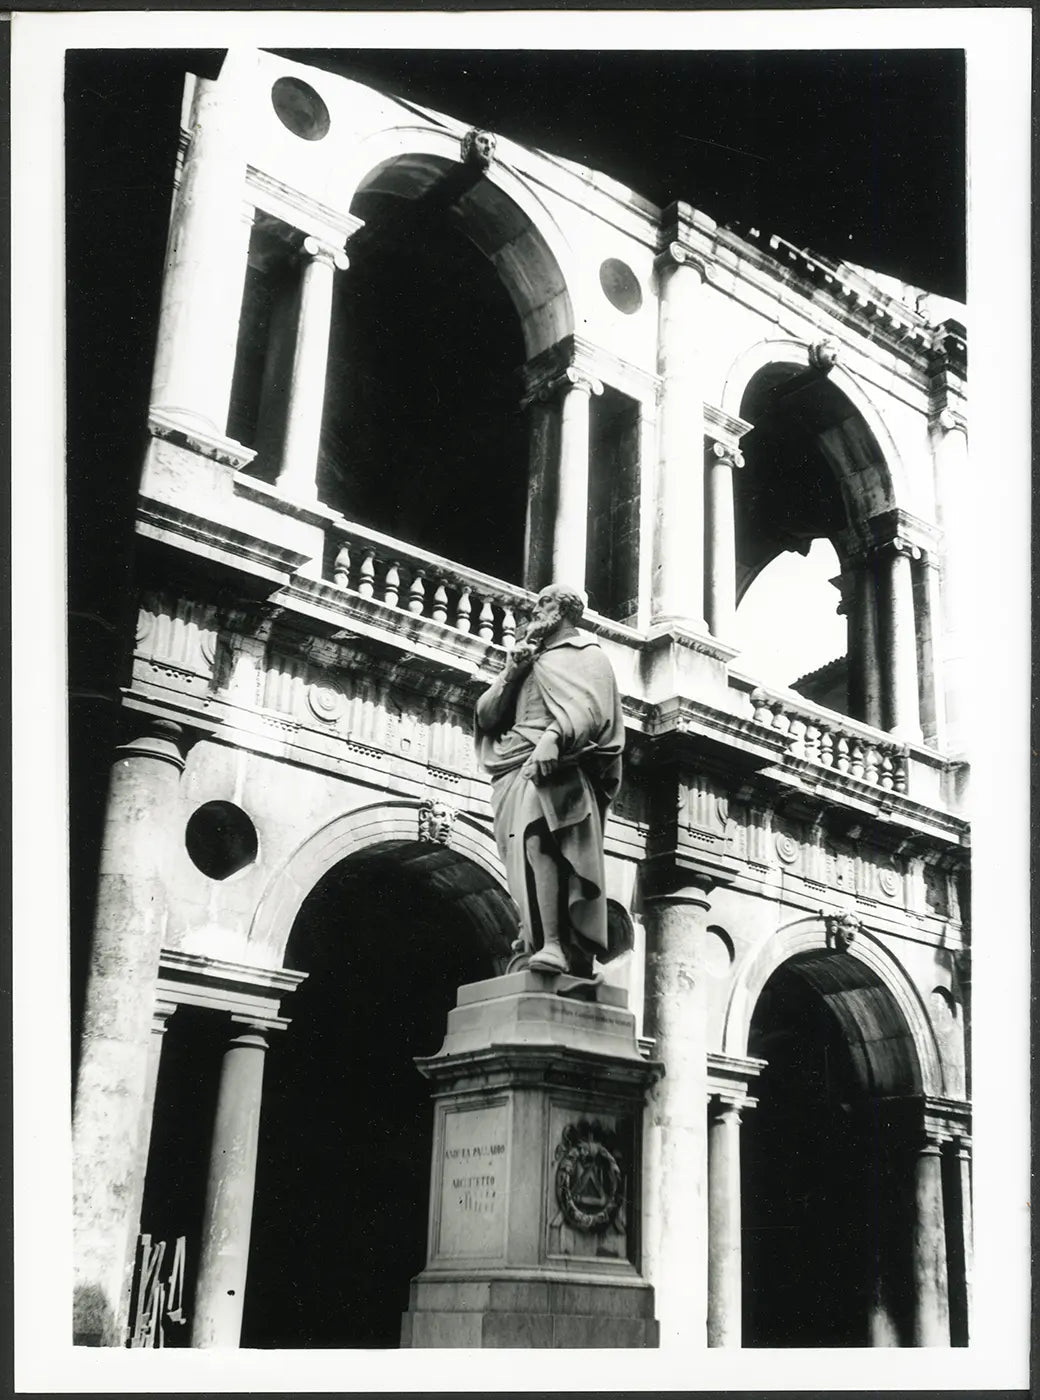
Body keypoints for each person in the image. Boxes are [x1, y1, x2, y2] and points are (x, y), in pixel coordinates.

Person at [475, 584, 624, 976]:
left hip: (556, 765)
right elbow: (487, 717)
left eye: (544, 602)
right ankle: (534, 937)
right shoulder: (528, 658)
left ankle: (556, 944)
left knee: (538, 839)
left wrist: (554, 738)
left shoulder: (588, 656)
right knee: (520, 855)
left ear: (566, 610)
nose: (535, 608)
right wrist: (512, 670)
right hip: (514, 763)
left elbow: (593, 710)